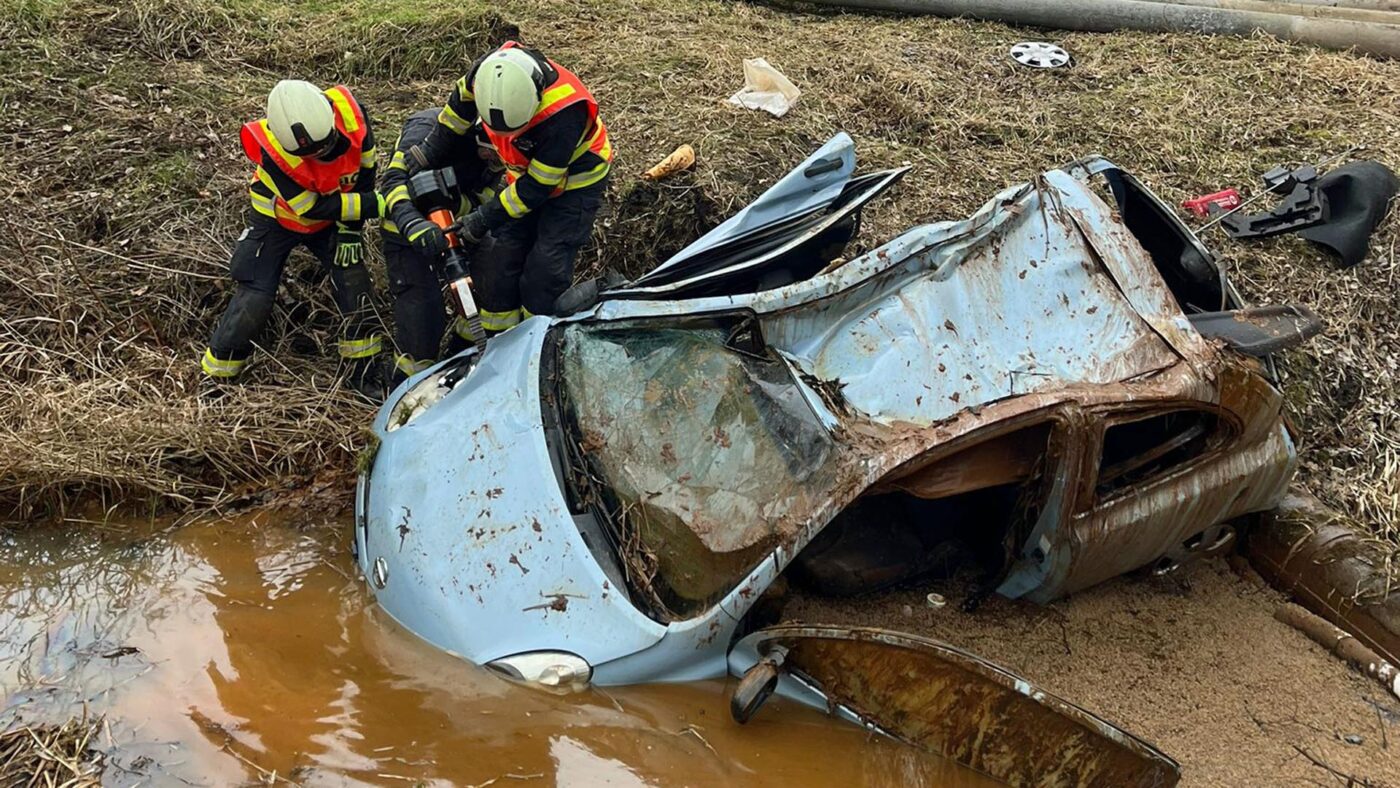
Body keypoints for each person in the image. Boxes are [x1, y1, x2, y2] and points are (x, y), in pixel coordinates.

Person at [406, 42, 613, 331]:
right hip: (525, 180)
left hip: (575, 186)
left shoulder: (566, 114)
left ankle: (537, 337)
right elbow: (455, 116)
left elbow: (538, 188)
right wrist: (428, 151)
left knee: (545, 268)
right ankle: (497, 337)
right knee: (501, 258)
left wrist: (482, 218)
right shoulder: (484, 76)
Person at [201, 79, 386, 398]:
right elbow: (312, 208)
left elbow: (366, 175)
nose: (320, 156)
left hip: (334, 216)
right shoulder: (271, 151)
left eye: (323, 147)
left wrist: (351, 231)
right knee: (256, 293)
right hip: (278, 220)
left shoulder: (354, 119)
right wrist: (376, 206)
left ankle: (363, 372)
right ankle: (217, 378)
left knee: (353, 279)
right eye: (309, 153)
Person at [380, 109, 504, 385]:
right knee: (422, 317)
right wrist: (413, 223)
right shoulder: (426, 131)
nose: (495, 162)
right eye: (491, 154)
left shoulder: (507, 144)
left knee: (490, 281)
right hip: (405, 231)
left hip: (457, 229)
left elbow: (484, 195)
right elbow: (391, 183)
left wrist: (459, 213)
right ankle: (406, 389)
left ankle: (461, 361)